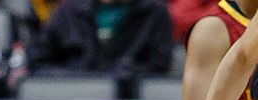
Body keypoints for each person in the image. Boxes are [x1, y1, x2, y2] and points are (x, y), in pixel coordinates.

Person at [28, 0, 173, 87]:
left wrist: (128, 76)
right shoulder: (67, 12)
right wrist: (74, 76)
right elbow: (37, 62)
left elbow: (160, 65)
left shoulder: (155, 13)